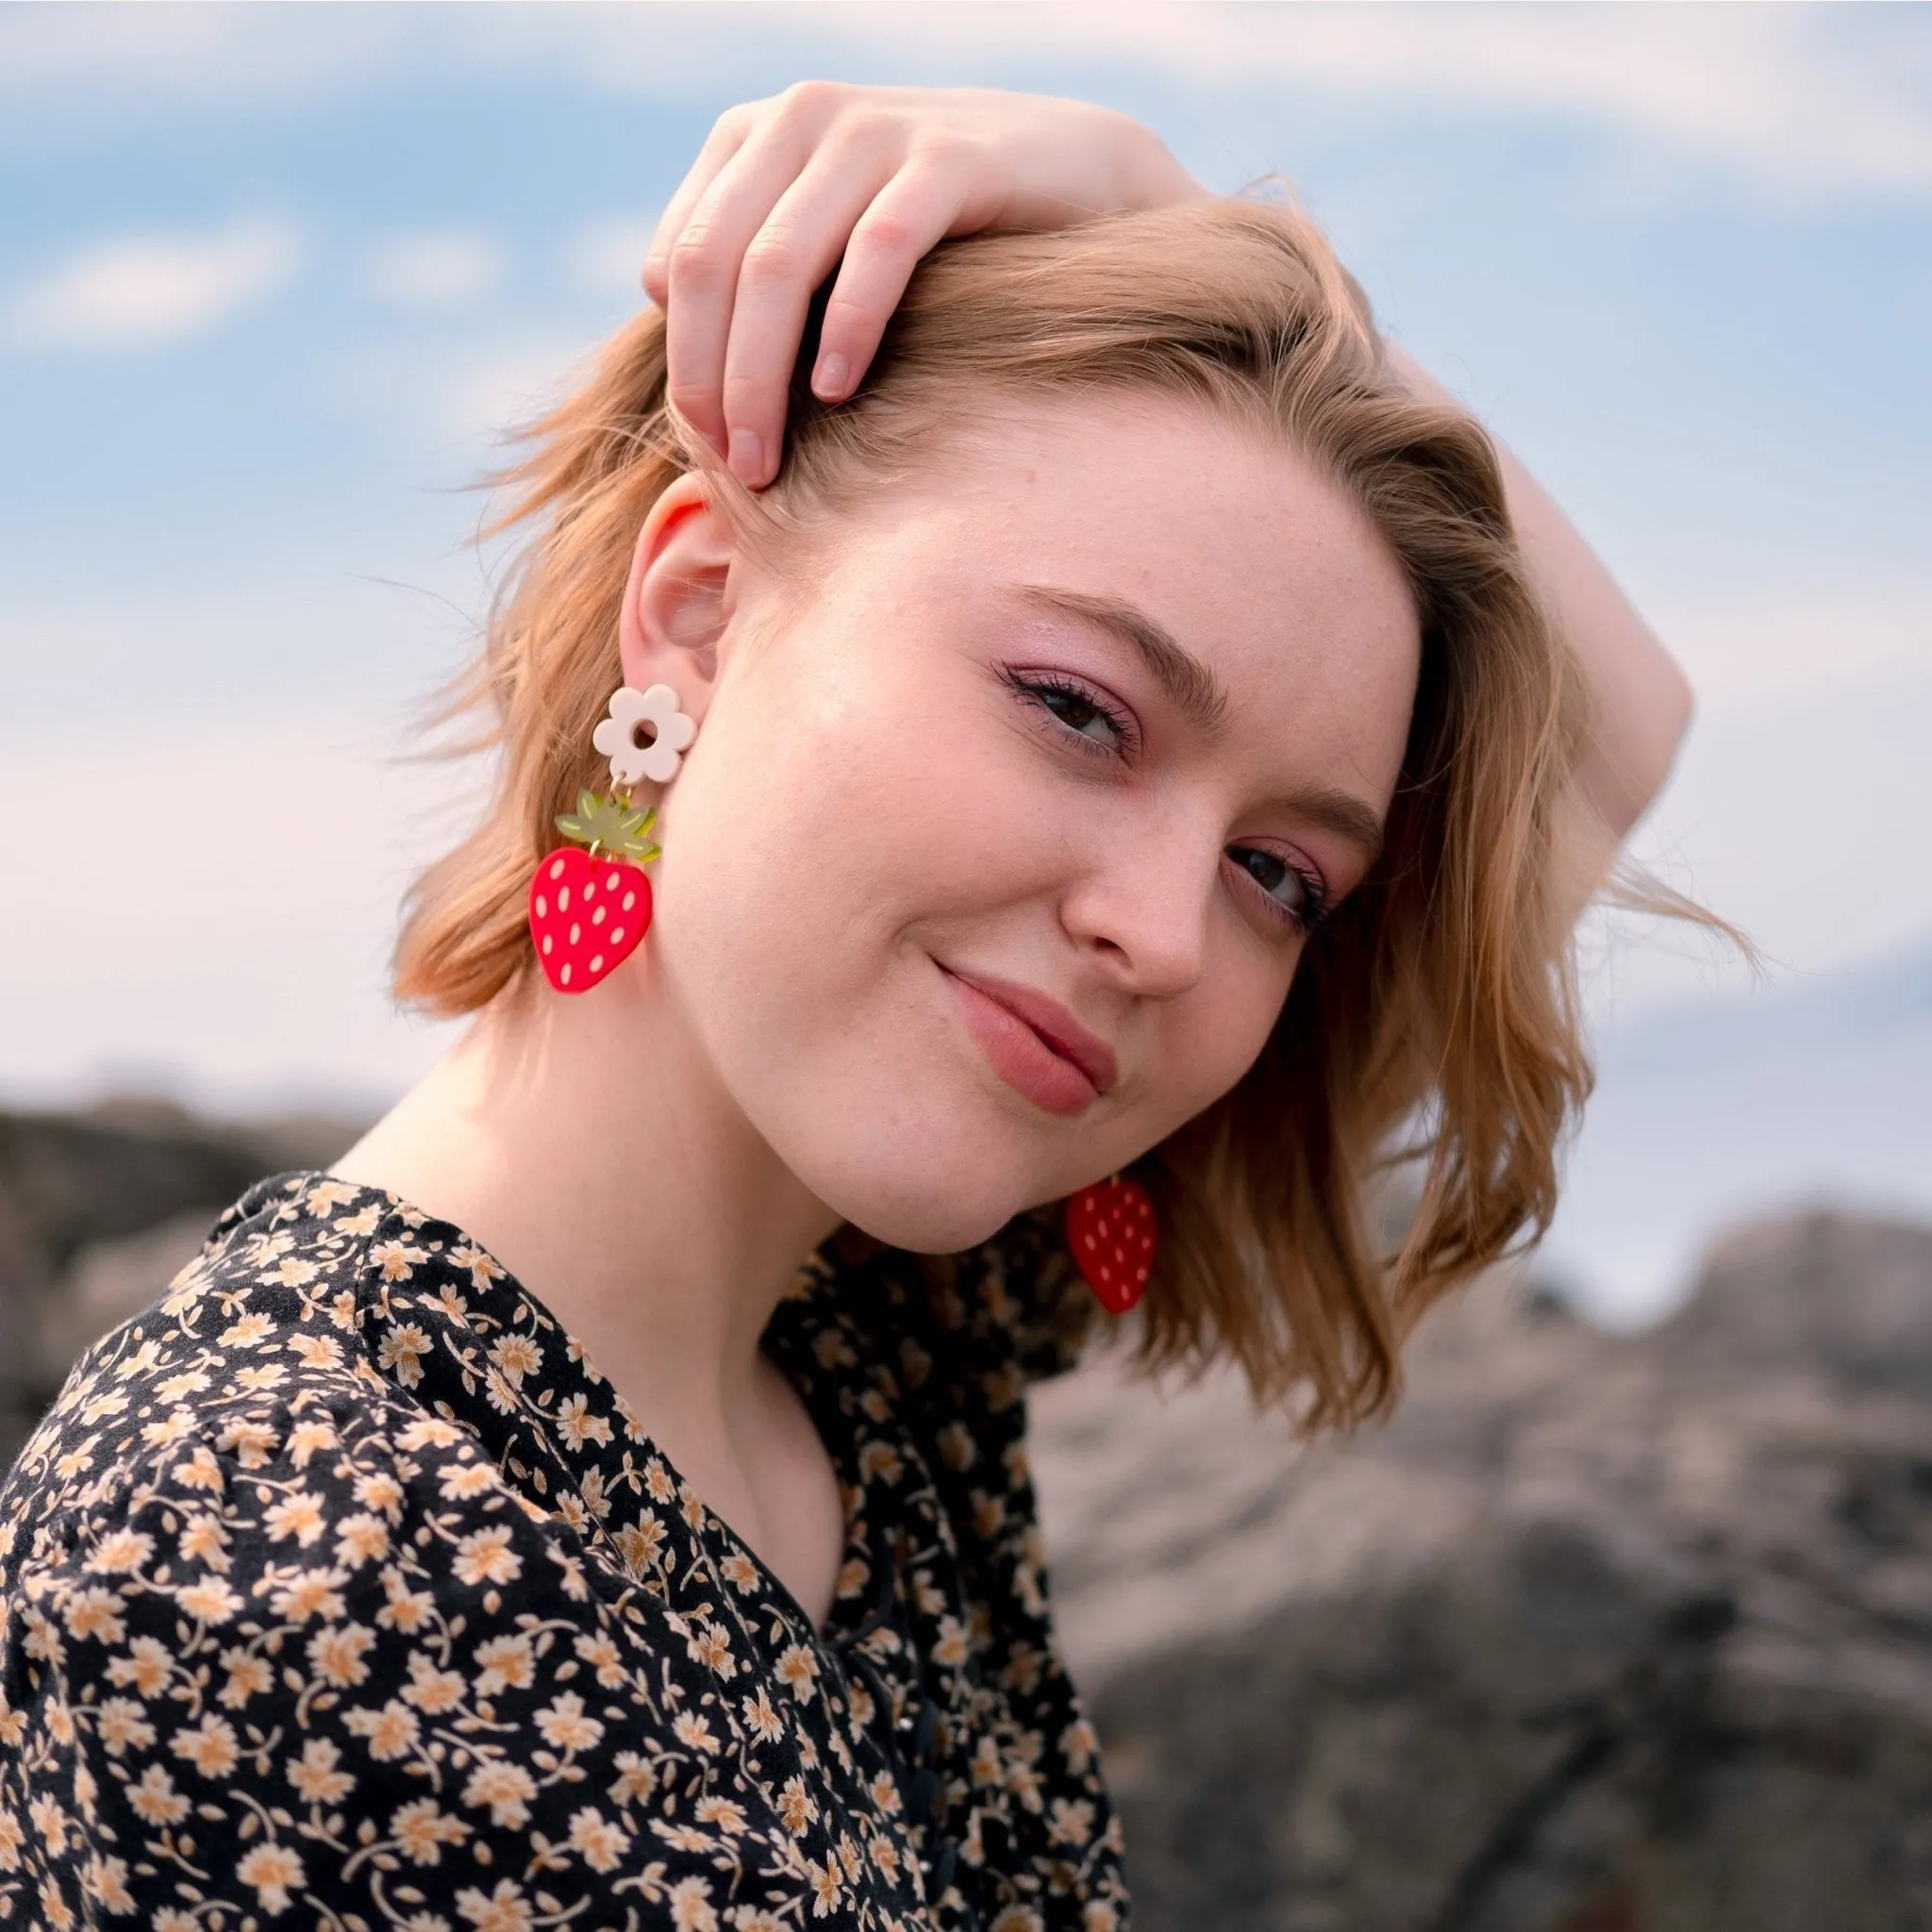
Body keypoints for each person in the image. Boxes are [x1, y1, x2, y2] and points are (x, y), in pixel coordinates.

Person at [0, 85, 1692, 1931]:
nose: (1169, 937)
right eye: (1078, 707)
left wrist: (1172, 205)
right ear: (703, 611)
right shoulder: (287, 1550)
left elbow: (1610, 734)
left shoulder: (870, 1327)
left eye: (1281, 875)